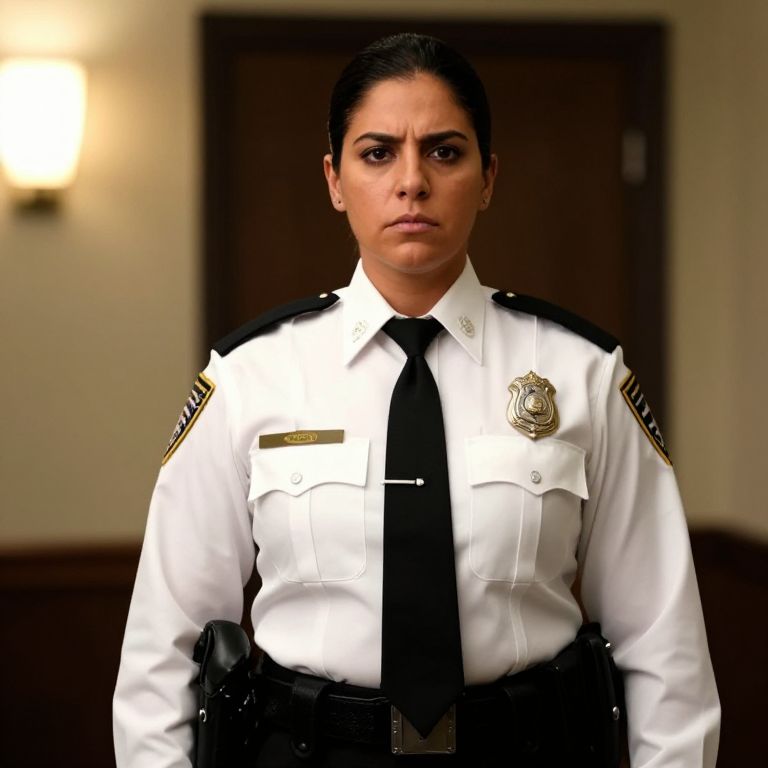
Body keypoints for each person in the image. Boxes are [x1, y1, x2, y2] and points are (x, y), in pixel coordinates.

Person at [113, 33, 720, 767]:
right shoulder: (252, 376)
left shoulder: (582, 373)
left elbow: (665, 644)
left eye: (444, 151)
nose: (411, 182)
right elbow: (163, 649)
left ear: (488, 177)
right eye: (377, 153)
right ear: (335, 180)